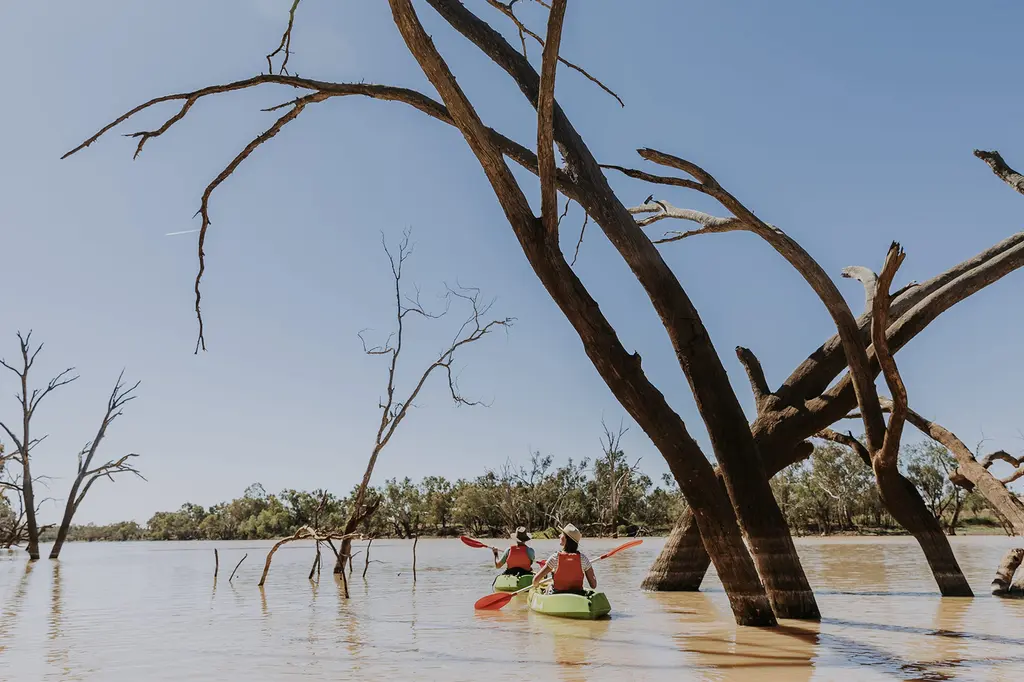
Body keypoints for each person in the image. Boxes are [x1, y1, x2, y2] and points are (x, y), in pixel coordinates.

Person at [532, 523, 597, 594]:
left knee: (549, 586)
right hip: (577, 595)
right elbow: (593, 585)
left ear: (566, 539)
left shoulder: (554, 558)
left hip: (557, 595)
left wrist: (537, 586)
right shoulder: (584, 559)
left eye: (562, 534)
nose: (559, 535)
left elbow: (535, 581)